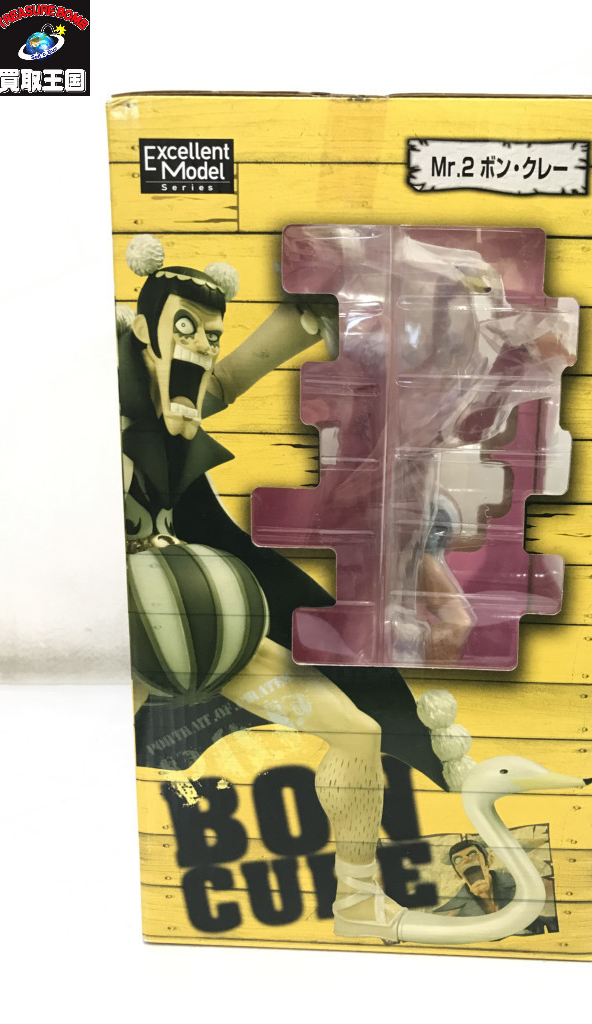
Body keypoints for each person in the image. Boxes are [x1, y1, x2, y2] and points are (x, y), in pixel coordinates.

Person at [119, 234, 473, 941]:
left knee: (358, 732)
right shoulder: (92, 403)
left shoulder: (177, 396)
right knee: (108, 739)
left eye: (210, 334)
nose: (199, 348)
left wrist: (311, 312)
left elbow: (222, 382)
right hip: (121, 631)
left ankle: (357, 903)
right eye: (184, 329)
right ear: (143, 332)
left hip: (205, 620)